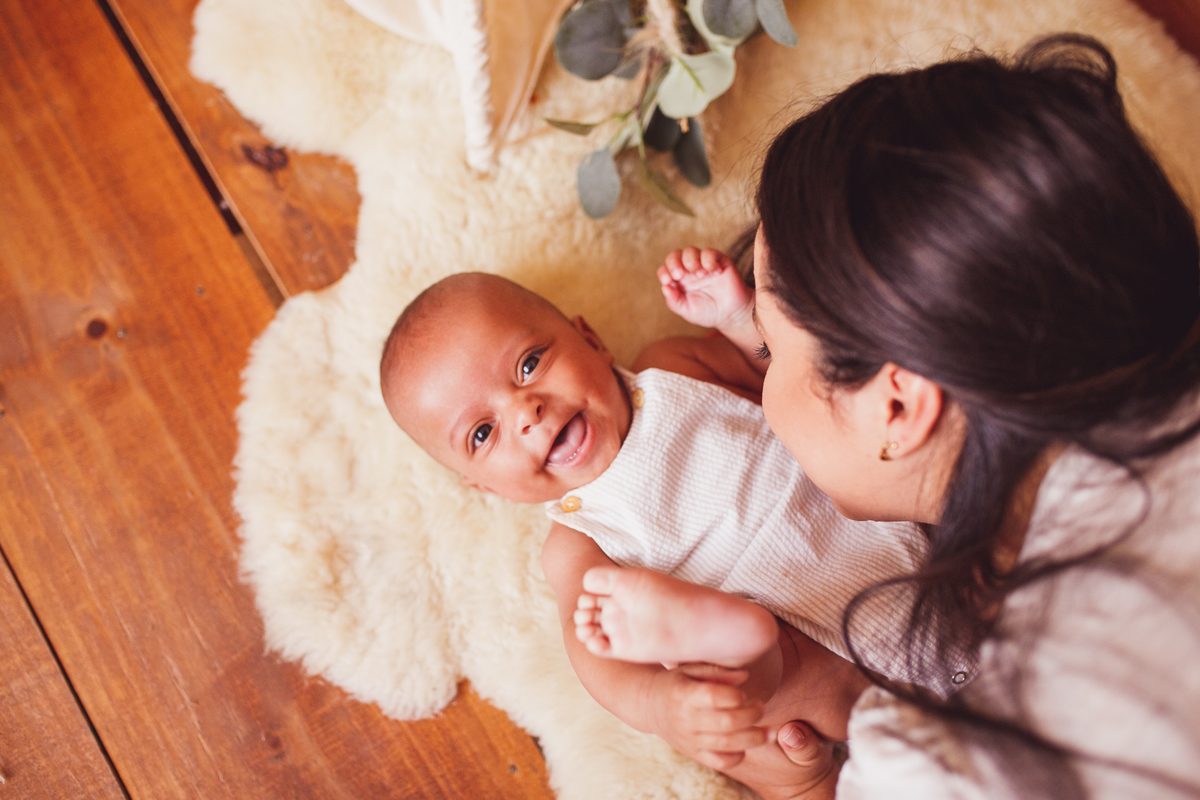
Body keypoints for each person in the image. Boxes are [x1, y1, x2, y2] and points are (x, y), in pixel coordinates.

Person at [701, 32, 1200, 799]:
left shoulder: (943, 760)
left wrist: (796, 786)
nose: (759, 376)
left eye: (769, 346)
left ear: (897, 406)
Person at [377, 257, 933, 799]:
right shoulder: (579, 541)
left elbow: (783, 372)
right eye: (482, 433)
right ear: (485, 487)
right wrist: (660, 704)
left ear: (590, 340)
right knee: (738, 699)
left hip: (906, 540)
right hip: (816, 664)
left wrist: (740, 320)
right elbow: (597, 657)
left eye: (529, 365)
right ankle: (726, 638)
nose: (526, 411)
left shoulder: (676, 366)